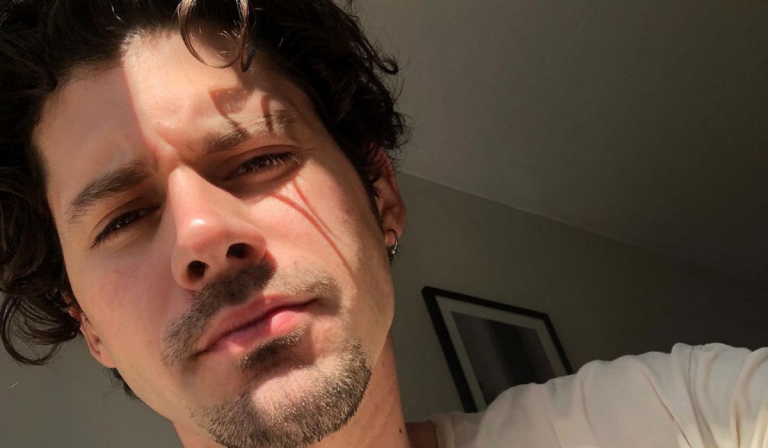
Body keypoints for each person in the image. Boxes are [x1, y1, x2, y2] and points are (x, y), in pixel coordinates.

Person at [0, 2, 766, 448]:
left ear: (380, 194)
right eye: (125, 217)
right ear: (90, 326)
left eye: (260, 160)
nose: (203, 234)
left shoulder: (684, 414)